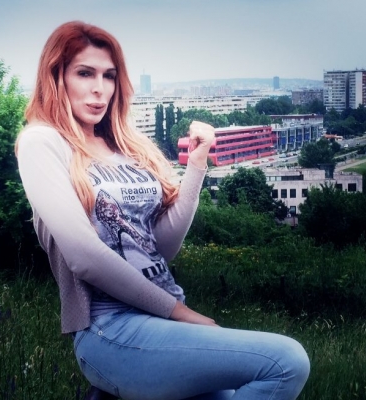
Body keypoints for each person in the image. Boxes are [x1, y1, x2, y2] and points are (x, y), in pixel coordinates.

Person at [16, 21, 310, 400]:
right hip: (110, 329)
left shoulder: (124, 148)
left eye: (109, 76)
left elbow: (159, 248)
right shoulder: (42, 142)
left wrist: (197, 165)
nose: (99, 88)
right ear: (57, 76)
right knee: (286, 361)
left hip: (161, 325)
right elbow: (83, 257)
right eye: (84, 73)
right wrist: (180, 313)